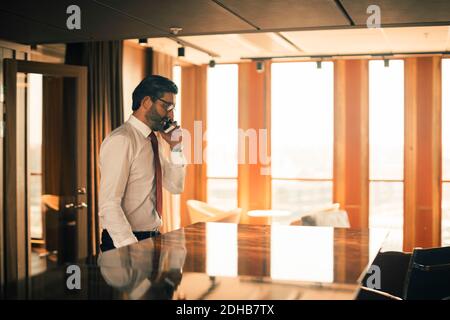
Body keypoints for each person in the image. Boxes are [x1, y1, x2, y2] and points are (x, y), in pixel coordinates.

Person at [98, 75, 186, 252]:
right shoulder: (122, 140)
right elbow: (109, 204)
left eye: (173, 108)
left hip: (152, 238)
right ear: (146, 101)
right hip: (126, 241)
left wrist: (176, 148)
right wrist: (132, 248)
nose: (171, 115)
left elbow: (176, 186)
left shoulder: (153, 141)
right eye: (166, 106)